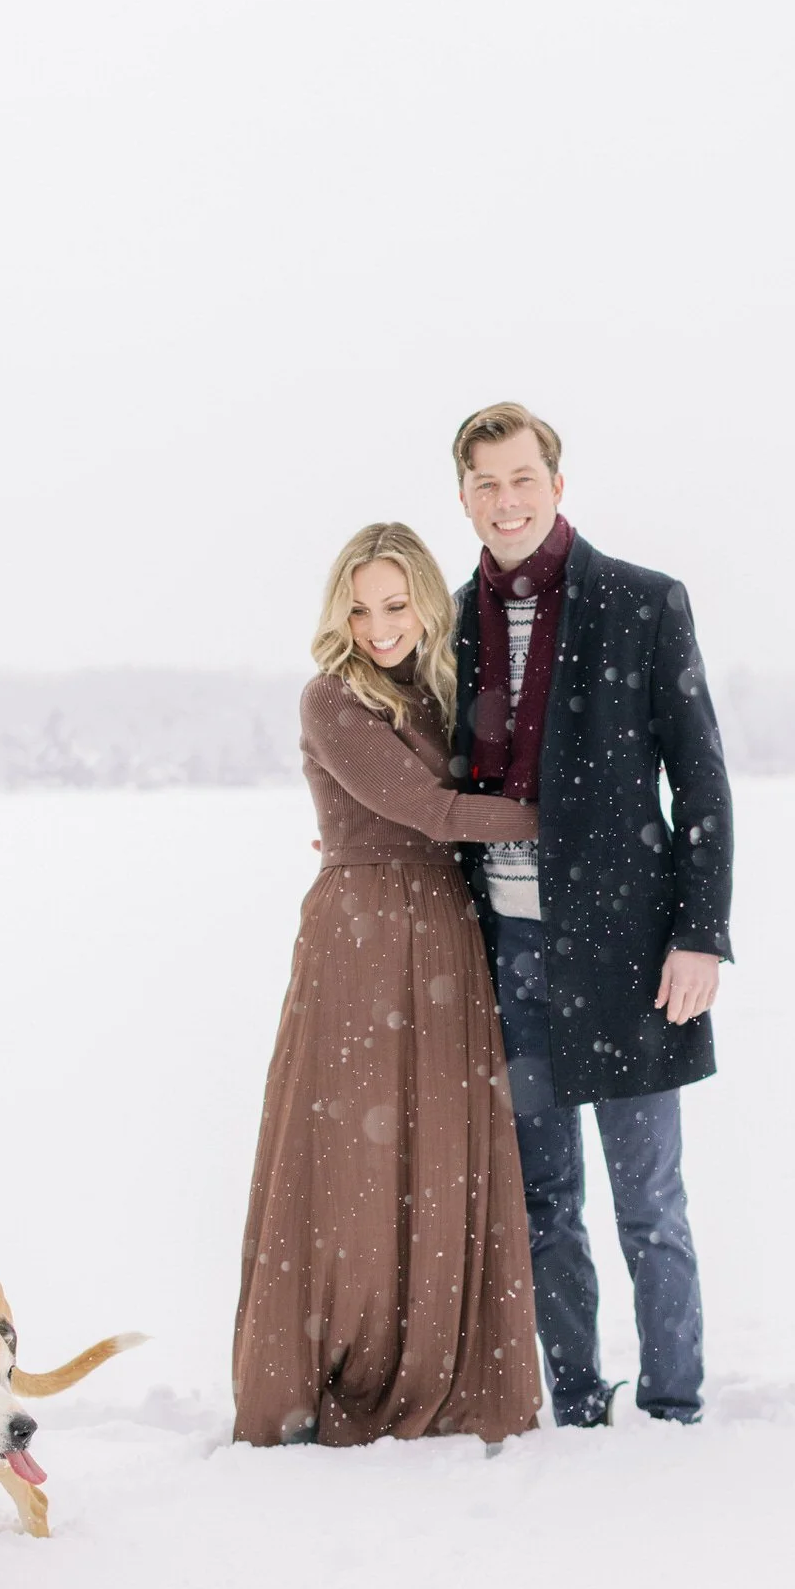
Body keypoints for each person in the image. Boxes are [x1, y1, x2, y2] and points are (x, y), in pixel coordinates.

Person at [448, 405, 734, 1427]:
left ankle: (671, 1403)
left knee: (649, 1201)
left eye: (521, 478)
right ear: (465, 497)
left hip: (627, 952)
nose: (505, 500)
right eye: (484, 484)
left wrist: (701, 932)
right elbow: (429, 777)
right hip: (506, 954)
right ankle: (573, 1397)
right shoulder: (450, 621)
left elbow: (700, 778)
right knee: (542, 1203)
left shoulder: (639, 602)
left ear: (556, 484)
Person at [232, 523, 544, 1447]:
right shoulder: (330, 697)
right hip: (360, 935)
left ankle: (442, 1364)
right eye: (360, 608)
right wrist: (563, 816)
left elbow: (455, 808)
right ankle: (343, 1363)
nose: (378, 626)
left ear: (426, 605)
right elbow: (435, 811)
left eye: (397, 605)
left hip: (445, 926)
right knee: (352, 1164)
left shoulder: (445, 690)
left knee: (439, 1149)